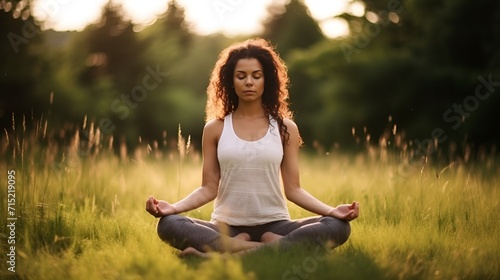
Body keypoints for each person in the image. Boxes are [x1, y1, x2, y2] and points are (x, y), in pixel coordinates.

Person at [146, 38, 359, 257]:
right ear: (231, 81)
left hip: (276, 225)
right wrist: (172, 208)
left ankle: (228, 252)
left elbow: (294, 190)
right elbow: (208, 188)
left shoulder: (286, 128)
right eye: (241, 76)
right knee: (169, 224)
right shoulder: (215, 129)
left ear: (267, 80)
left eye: (256, 76)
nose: (249, 82)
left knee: (338, 226)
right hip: (226, 227)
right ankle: (269, 248)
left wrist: (332, 211)